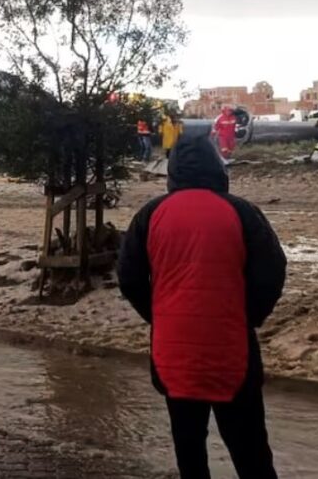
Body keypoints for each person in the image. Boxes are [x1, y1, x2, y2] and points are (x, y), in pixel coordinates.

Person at [118, 135, 285, 479]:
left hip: (172, 355)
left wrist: (159, 316)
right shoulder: (242, 211)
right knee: (251, 453)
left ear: (173, 170)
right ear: (216, 167)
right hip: (232, 351)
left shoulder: (150, 214)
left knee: (189, 452)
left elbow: (129, 278)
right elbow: (271, 273)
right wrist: (248, 316)